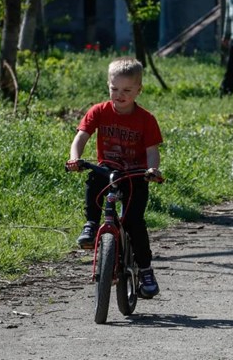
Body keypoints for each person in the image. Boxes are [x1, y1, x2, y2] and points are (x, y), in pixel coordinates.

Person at [66, 57, 164, 299]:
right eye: (114, 89)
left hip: (135, 175)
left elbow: (152, 152)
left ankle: (145, 270)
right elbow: (81, 137)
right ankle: (91, 223)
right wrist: (75, 158)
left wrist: (152, 171)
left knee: (134, 222)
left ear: (138, 90)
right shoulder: (98, 111)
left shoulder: (146, 119)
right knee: (94, 179)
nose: (119, 95)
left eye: (127, 90)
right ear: (108, 85)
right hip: (107, 170)